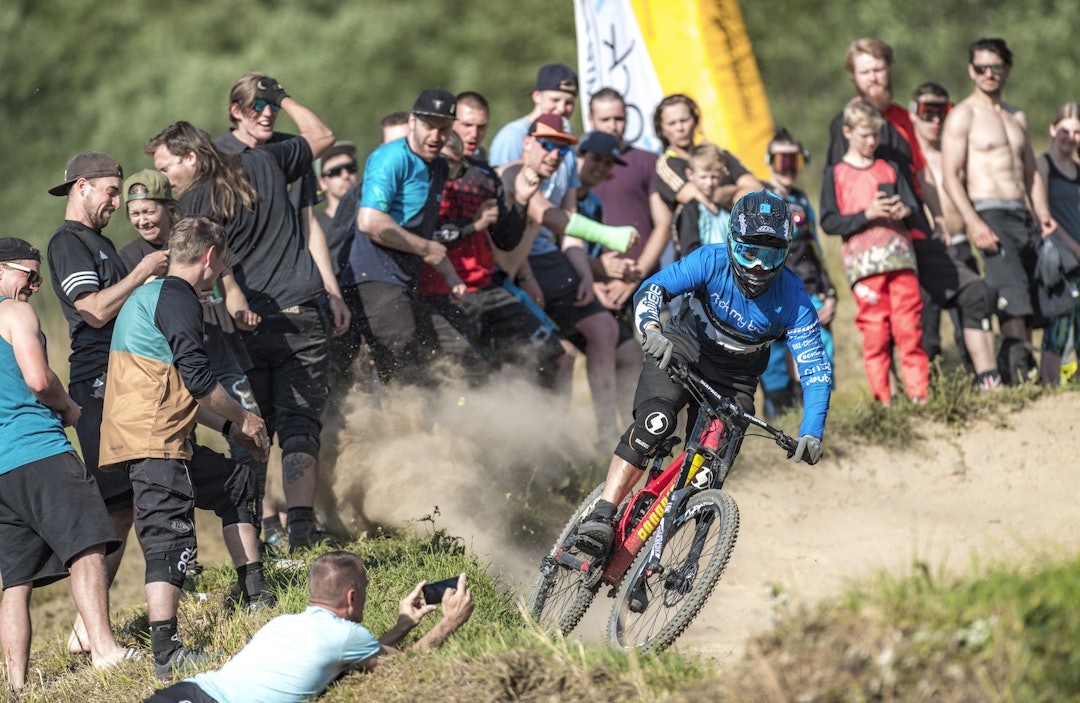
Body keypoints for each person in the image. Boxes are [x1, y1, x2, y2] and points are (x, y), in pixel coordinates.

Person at [575, 192, 831, 555]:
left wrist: (812, 430)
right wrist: (651, 331)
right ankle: (603, 513)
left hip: (736, 380)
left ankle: (655, 556)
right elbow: (653, 290)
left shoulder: (796, 300)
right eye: (749, 252)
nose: (758, 267)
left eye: (771, 255)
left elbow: (815, 372)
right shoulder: (710, 260)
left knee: (706, 473)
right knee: (656, 423)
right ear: (731, 243)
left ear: (787, 252)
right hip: (682, 352)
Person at [147, 74, 336, 551]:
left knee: (254, 429)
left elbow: (205, 258)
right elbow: (323, 136)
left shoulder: (199, 194)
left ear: (191, 159)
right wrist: (284, 95)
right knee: (298, 426)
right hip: (293, 311)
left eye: (167, 167)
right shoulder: (265, 158)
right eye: (257, 106)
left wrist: (226, 294)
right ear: (236, 112)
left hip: (245, 323)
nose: (165, 178)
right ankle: (300, 534)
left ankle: (262, 538)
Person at [98, 216, 273, 679]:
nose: (217, 276)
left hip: (166, 431)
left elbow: (176, 386)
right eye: (220, 264)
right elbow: (198, 380)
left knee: (235, 483)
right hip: (153, 439)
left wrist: (228, 429)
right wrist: (246, 417)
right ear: (210, 256)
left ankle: (256, 593)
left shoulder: (155, 295)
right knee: (168, 534)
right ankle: (166, 651)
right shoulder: (177, 297)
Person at [45, 151, 170, 654]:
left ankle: (84, 630)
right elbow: (94, 311)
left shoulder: (99, 244)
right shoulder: (68, 243)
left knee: (123, 506)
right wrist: (141, 271)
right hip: (97, 381)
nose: (118, 203)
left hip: (125, 375)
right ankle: (96, 636)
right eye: (111, 192)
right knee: (108, 506)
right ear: (81, 187)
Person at [0, 238, 137, 692]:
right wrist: (70, 407)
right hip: (37, 448)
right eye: (28, 275)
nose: (35, 287)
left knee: (15, 581)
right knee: (88, 545)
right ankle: (103, 650)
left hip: (1, 469)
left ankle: (16, 687)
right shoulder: (13, 312)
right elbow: (38, 379)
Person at [827, 38, 1002, 391]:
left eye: (878, 68)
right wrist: (864, 218)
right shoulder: (846, 123)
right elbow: (838, 185)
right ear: (854, 76)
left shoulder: (900, 117)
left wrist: (936, 215)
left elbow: (921, 173)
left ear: (889, 68)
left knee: (970, 290)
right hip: (873, 239)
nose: (873, 77)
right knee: (886, 323)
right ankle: (895, 400)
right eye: (865, 71)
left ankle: (988, 382)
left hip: (915, 228)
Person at [143, 551, 474, 703]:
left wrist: (404, 623)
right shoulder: (345, 636)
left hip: (183, 692)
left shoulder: (284, 624)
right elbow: (401, 665)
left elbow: (368, 655)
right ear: (352, 596)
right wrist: (449, 623)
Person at [500, 115, 634, 441]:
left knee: (606, 330)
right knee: (556, 356)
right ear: (527, 143)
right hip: (497, 280)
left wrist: (585, 275)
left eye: (561, 148)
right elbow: (551, 218)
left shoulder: (560, 177)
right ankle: (543, 444)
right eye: (547, 144)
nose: (554, 154)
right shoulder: (515, 174)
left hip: (537, 266)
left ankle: (608, 437)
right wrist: (608, 236)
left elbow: (564, 225)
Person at [339, 88, 481, 386]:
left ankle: (432, 426)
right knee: (406, 364)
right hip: (372, 277)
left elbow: (424, 234)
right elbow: (369, 221)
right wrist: (424, 248)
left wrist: (451, 276)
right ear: (413, 121)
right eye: (430, 125)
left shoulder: (438, 166)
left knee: (446, 353)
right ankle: (403, 429)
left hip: (404, 280)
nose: (436, 136)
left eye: (444, 129)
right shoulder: (390, 158)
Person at [942, 38, 1058, 384]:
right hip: (989, 212)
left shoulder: (1016, 116)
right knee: (1010, 294)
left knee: (1034, 294)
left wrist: (1043, 214)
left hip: (1023, 214)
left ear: (1007, 69)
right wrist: (974, 222)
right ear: (971, 70)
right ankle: (1017, 374)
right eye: (981, 68)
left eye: (995, 67)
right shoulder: (963, 115)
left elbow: (1031, 172)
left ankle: (1030, 373)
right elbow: (951, 176)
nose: (988, 74)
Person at [416, 120, 566, 387]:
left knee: (549, 354)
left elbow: (506, 239)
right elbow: (425, 238)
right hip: (438, 295)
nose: (454, 170)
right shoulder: (418, 183)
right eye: (447, 162)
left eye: (458, 162)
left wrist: (520, 200)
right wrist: (473, 225)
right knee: (468, 377)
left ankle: (542, 426)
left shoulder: (483, 177)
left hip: (487, 290)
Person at [820, 99, 929, 406]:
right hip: (864, 267)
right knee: (876, 334)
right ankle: (885, 400)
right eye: (865, 135)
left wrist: (902, 208)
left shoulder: (889, 167)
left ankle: (920, 395)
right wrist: (866, 214)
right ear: (848, 132)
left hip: (901, 259)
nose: (872, 142)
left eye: (876, 135)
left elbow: (913, 209)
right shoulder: (836, 174)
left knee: (909, 328)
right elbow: (829, 221)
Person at [762, 128, 838, 416]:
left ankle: (813, 434)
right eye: (783, 160)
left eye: (796, 160)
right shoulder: (758, 196)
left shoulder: (803, 199)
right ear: (769, 160)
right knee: (775, 375)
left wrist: (830, 292)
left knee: (816, 369)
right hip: (772, 297)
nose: (789, 168)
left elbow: (815, 248)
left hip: (809, 294)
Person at [587, 88, 672, 306]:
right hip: (591, 283)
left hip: (645, 283)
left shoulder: (649, 161)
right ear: (590, 119)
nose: (612, 126)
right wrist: (589, 274)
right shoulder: (577, 163)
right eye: (604, 119)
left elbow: (664, 224)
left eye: (619, 118)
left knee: (657, 340)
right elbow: (565, 224)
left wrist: (635, 277)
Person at [653, 94, 762, 217]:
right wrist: (735, 190)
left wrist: (727, 196)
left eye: (684, 120)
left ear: (695, 120)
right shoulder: (666, 164)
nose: (680, 128)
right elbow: (701, 201)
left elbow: (756, 189)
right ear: (662, 129)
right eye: (672, 123)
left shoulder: (720, 154)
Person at [1035, 102, 1080, 384]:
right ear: (1053, 130)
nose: (1070, 137)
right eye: (1065, 130)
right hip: (1060, 256)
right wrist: (1073, 248)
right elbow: (1042, 214)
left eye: (1077, 132)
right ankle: (1048, 387)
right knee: (1059, 322)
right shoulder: (1043, 164)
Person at [675, 142, 737, 255]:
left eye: (714, 177)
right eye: (703, 177)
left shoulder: (727, 208)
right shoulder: (690, 209)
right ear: (690, 174)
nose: (709, 182)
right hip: (704, 269)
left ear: (723, 174)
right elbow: (689, 249)